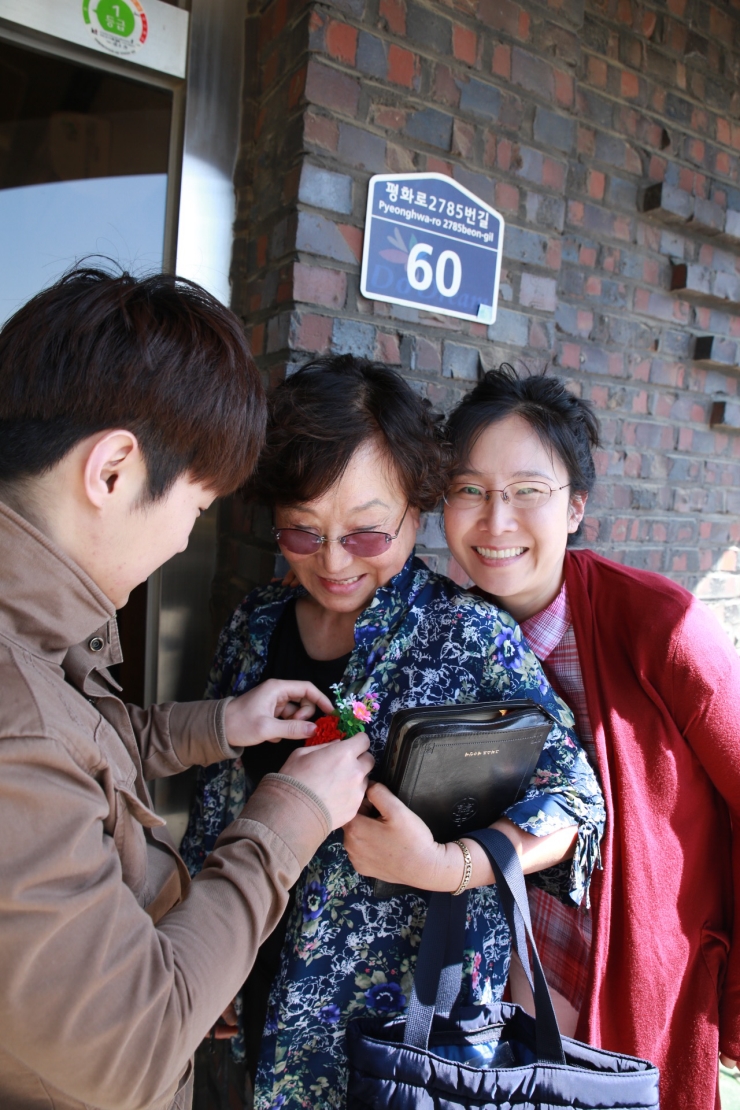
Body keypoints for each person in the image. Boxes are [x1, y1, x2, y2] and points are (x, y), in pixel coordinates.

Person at [181, 354, 605, 1110]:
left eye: (367, 534)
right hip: (263, 988)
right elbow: (218, 802)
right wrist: (201, 950)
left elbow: (575, 801)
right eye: (302, 532)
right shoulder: (256, 623)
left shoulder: (468, 634)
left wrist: (448, 865)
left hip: (407, 1042)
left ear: (418, 507)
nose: (333, 561)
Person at [0, 268, 374, 1110]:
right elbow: (129, 1047)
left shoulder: (32, 647)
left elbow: (80, 755)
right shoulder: (16, 727)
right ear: (112, 471)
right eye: (198, 508)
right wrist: (291, 814)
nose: (182, 541)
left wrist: (221, 724)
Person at [435, 364, 739, 1110]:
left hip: (635, 994)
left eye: (527, 491)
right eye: (469, 489)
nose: (496, 522)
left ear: (574, 506)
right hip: (494, 999)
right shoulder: (439, 638)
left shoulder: (660, 626)